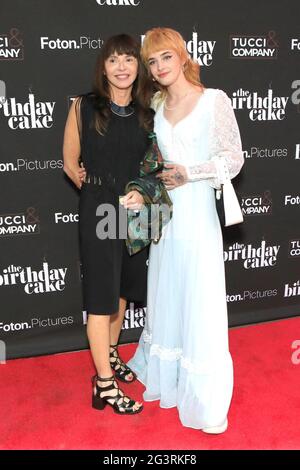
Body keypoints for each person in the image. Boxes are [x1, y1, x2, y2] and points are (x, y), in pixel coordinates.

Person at [127, 27, 244, 432]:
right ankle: (167, 377)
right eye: (152, 61)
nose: (159, 67)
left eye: (166, 57)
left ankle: (203, 399)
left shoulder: (214, 100)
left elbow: (234, 159)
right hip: (166, 214)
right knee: (168, 291)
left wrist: (191, 172)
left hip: (196, 212)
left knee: (198, 295)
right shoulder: (156, 104)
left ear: (182, 56)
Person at [63, 34, 153, 415]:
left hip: (136, 214)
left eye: (128, 60)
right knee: (101, 299)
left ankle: (111, 354)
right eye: (114, 60)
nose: (121, 67)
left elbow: (156, 165)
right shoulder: (83, 106)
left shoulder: (150, 109)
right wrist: (101, 192)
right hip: (100, 210)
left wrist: (141, 194)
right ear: (104, 67)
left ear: (138, 67)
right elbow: (70, 162)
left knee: (122, 289)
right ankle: (103, 384)